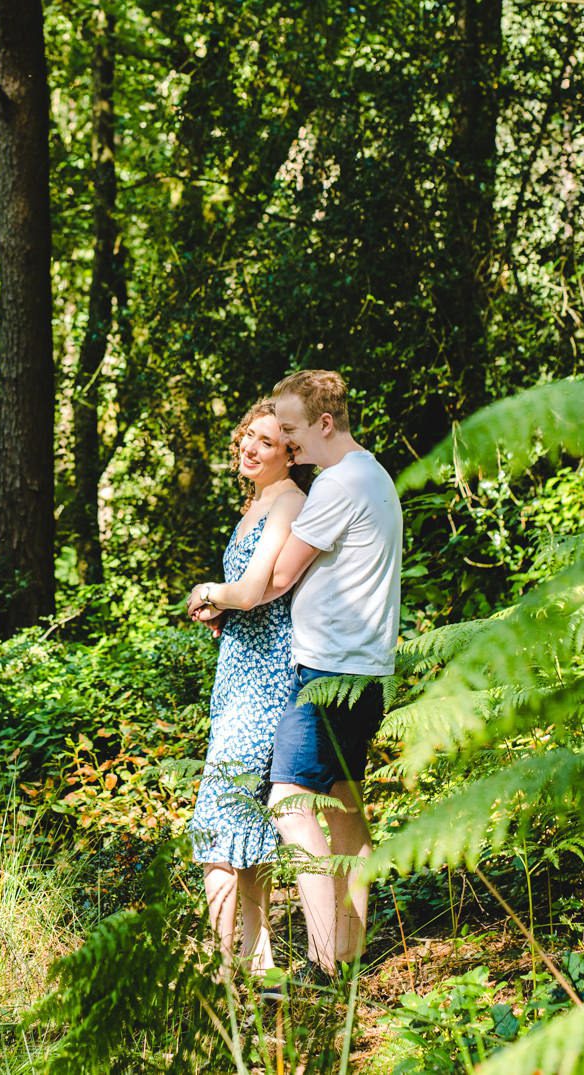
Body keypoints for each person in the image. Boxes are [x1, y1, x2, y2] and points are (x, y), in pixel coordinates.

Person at [190, 369, 400, 976]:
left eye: (289, 430)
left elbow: (274, 582)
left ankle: (325, 961)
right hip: (362, 670)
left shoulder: (336, 485)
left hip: (325, 672)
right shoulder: (374, 475)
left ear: (323, 424)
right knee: (344, 813)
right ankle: (348, 952)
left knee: (287, 801)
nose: (285, 440)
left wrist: (213, 594)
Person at [183, 401, 304, 975]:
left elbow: (254, 589)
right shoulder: (256, 502)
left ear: (291, 452)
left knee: (221, 808)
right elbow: (250, 602)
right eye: (247, 438)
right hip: (238, 667)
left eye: (266, 442)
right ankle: (260, 966)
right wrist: (220, 613)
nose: (250, 449)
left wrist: (210, 591)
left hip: (267, 677)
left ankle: (219, 968)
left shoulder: (289, 502)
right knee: (245, 820)